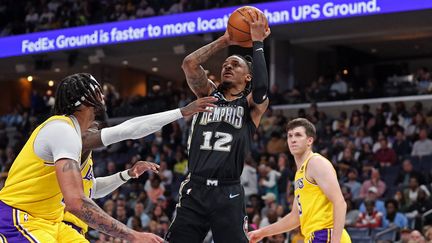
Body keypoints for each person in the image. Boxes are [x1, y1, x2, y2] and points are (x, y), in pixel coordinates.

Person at [0, 73, 215, 243]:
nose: (103, 96)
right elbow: (77, 201)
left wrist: (126, 175)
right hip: (20, 218)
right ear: (88, 99)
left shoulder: (75, 139)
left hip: (51, 222)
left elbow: (89, 189)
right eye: (98, 91)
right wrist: (133, 235)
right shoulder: (63, 131)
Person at [166, 10, 270, 243]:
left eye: (235, 64)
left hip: (228, 191)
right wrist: (226, 40)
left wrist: (258, 42)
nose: (228, 67)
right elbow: (189, 64)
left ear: (248, 78)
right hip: (195, 187)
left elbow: (262, 90)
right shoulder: (207, 93)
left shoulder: (250, 106)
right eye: (225, 64)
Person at [248, 118, 351, 243]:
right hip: (315, 236)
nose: (293, 139)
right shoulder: (300, 173)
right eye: (290, 136)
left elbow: (340, 203)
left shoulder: (316, 163)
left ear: (309, 140)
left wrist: (335, 241)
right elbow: (295, 218)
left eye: (298, 135)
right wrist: (261, 232)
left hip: (326, 234)